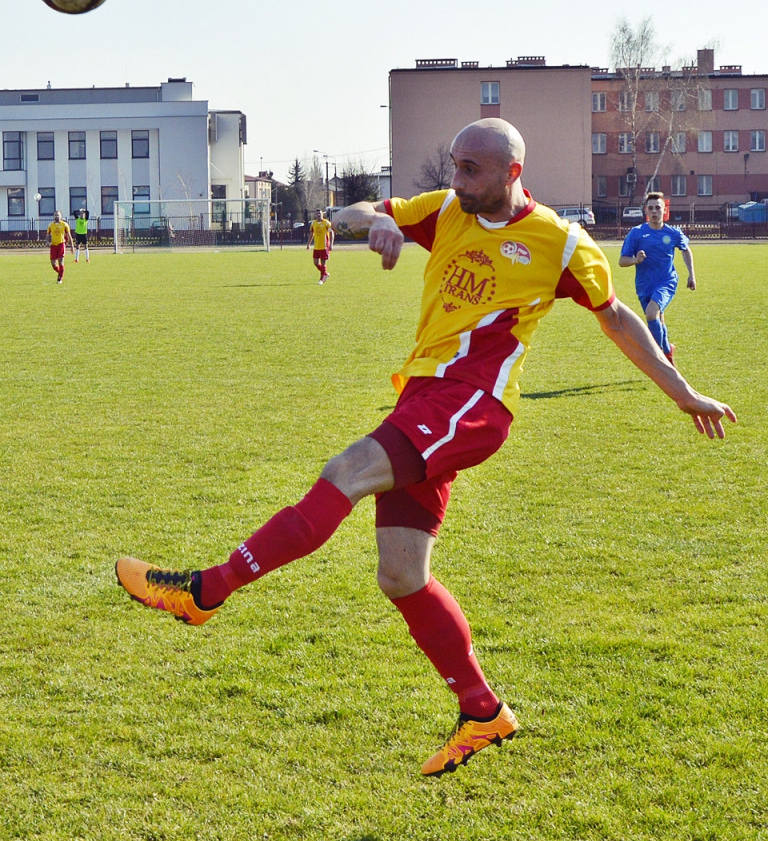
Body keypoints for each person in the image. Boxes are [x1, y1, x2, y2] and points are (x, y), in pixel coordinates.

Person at [116, 119, 735, 778]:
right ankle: (482, 710)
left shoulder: (559, 243)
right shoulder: (444, 210)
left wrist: (682, 391)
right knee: (401, 574)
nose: (458, 179)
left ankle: (203, 593)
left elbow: (616, 318)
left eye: (472, 169)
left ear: (512, 174)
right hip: (425, 400)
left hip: (472, 404)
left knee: (346, 471)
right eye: (455, 164)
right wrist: (372, 223)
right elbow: (352, 210)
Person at [618, 192, 695, 365]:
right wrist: (635, 260)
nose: (654, 211)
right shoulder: (636, 233)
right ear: (646, 210)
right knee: (657, 319)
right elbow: (622, 261)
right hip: (644, 285)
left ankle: (660, 358)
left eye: (658, 208)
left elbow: (685, 249)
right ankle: (668, 351)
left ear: (664, 210)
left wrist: (691, 274)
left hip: (666, 282)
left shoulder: (673, 233)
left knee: (652, 314)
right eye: (651, 208)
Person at [46, 210, 74, 283]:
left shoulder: (64, 225)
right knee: (53, 264)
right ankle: (60, 272)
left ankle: (60, 279)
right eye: (55, 215)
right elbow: (48, 234)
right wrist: (47, 241)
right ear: (53, 216)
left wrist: (72, 246)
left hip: (61, 244)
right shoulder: (50, 225)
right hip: (53, 246)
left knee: (61, 262)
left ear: (61, 216)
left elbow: (69, 236)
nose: (56, 216)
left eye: (58, 215)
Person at [307, 208, 334, 283]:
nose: (318, 215)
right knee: (315, 263)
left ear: (322, 214)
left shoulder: (326, 223)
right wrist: (308, 244)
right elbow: (311, 234)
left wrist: (331, 244)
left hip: (324, 247)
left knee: (323, 263)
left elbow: (331, 233)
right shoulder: (313, 223)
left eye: (320, 213)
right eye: (317, 213)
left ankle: (321, 279)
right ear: (315, 215)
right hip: (316, 247)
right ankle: (325, 273)